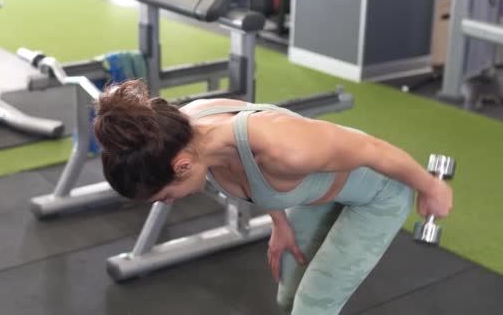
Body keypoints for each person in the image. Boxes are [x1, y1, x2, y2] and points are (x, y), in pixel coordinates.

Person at [93, 80, 453, 315]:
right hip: (317, 191)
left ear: (183, 166)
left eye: (164, 196)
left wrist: (431, 186)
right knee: (287, 296)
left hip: (379, 194)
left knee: (312, 307)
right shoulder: (183, 131)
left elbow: (372, 150)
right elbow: (251, 176)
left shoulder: (284, 149)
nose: (167, 203)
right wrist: (279, 222)